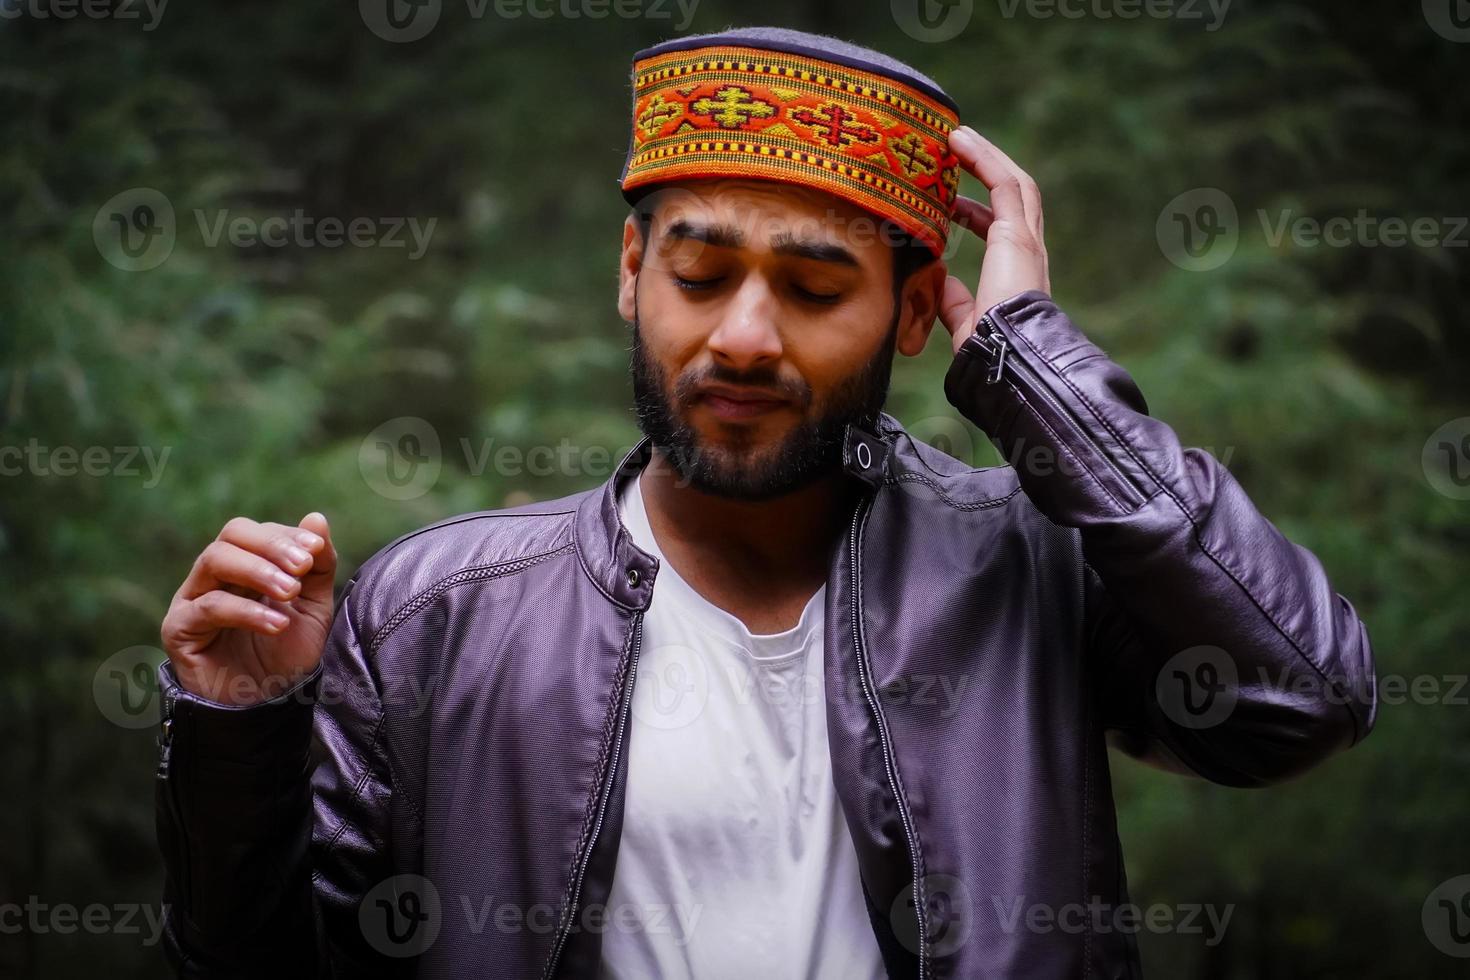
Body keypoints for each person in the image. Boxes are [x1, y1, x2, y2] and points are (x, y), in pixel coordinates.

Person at [153, 26, 1378, 979]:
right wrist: (238, 733)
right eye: (700, 271)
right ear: (632, 276)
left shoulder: (1030, 565)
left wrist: (1034, 367)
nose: (742, 335)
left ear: (909, 314)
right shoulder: (435, 615)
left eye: (811, 286)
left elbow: (1301, 696)